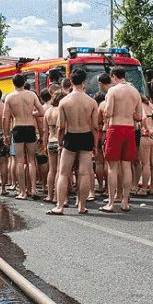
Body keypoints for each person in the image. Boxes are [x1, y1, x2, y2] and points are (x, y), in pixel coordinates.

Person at [47, 69, 98, 215]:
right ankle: (81, 206)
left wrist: (60, 142)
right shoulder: (91, 102)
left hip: (71, 136)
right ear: (84, 82)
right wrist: (95, 144)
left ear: (70, 81)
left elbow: (61, 126)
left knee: (63, 173)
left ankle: (59, 206)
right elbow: (95, 126)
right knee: (84, 173)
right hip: (86, 135)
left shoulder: (64, 101)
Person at [101, 66, 142, 213]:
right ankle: (125, 202)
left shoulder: (113, 91)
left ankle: (111, 202)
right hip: (129, 129)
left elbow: (109, 112)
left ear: (113, 76)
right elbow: (139, 116)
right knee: (126, 166)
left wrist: (106, 109)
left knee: (112, 167)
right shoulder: (135, 91)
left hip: (115, 128)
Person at [2, 74, 45, 200]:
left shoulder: (10, 97)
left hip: (18, 127)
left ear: (13, 83)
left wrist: (6, 134)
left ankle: (22, 192)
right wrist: (32, 113)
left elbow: (6, 118)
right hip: (30, 127)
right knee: (32, 160)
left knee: (20, 161)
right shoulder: (31, 95)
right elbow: (42, 112)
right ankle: (33, 189)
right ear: (24, 82)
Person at [43, 92, 65, 203]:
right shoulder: (61, 111)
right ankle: (58, 197)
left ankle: (49, 195)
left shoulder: (47, 112)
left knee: (51, 170)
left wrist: (44, 144)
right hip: (60, 142)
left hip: (50, 142)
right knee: (60, 171)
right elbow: (62, 128)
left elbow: (45, 131)